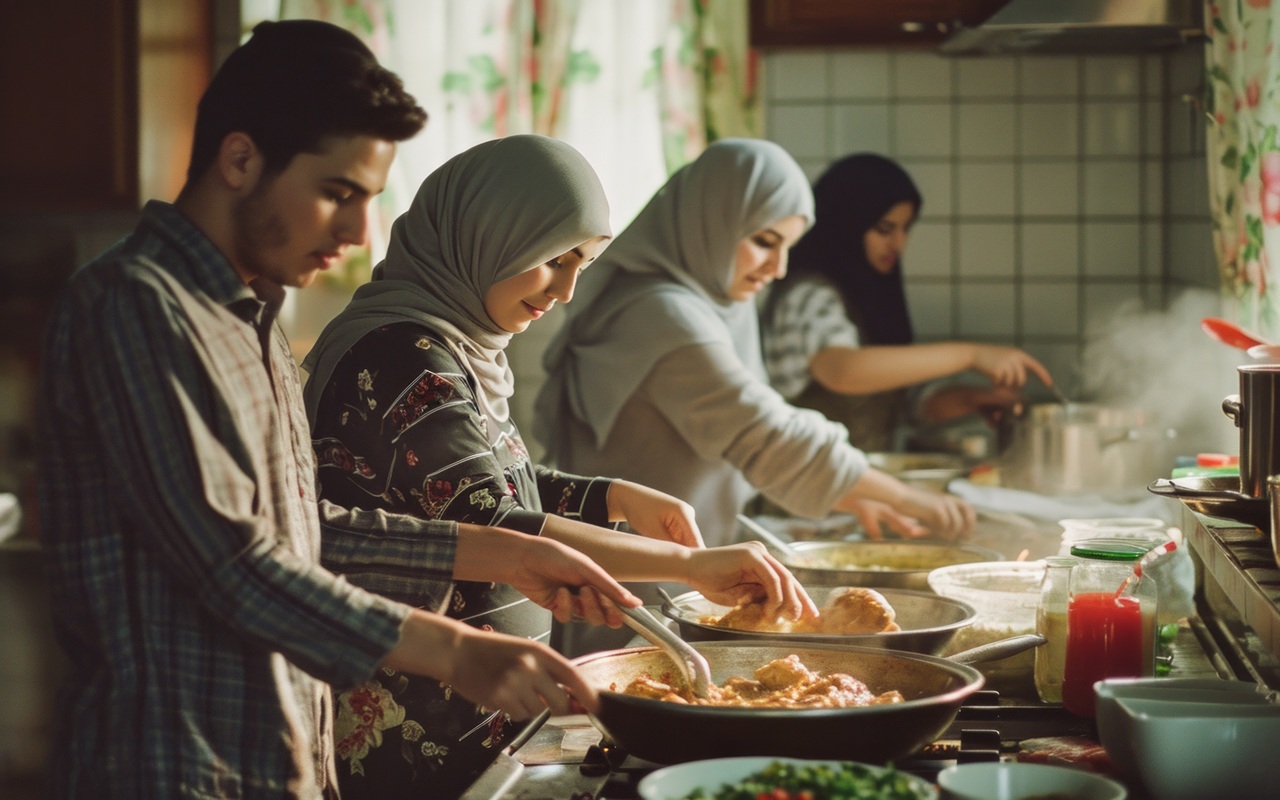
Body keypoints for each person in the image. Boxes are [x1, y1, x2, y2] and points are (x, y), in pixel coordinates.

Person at [35, 21, 647, 800]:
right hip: (173, 769)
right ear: (240, 158)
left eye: (369, 200)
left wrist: (504, 555)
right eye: (337, 193)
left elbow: (305, 532)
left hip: (283, 759)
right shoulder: (133, 308)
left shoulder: (248, 318)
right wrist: (454, 651)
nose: (360, 231)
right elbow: (234, 566)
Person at [300, 134, 811, 797]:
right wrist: (688, 566)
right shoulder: (405, 354)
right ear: (488, 234)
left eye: (584, 264)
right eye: (553, 259)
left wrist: (614, 497)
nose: (566, 290)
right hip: (413, 727)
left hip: (471, 716)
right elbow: (492, 519)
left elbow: (488, 480)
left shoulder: (454, 342)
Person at [534, 138, 976, 654]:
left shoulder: (708, 301)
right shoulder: (659, 315)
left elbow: (742, 433)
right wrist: (908, 497)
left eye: (787, 245)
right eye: (765, 241)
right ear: (712, 222)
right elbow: (765, 435)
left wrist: (860, 493)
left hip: (684, 585)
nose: (779, 268)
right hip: (632, 602)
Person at [760, 153, 1055, 455]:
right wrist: (970, 354)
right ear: (847, 222)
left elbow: (903, 402)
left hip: (856, 489)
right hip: (802, 493)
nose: (899, 244)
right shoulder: (808, 294)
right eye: (885, 229)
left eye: (906, 228)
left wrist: (971, 399)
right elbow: (842, 371)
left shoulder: (868, 293)